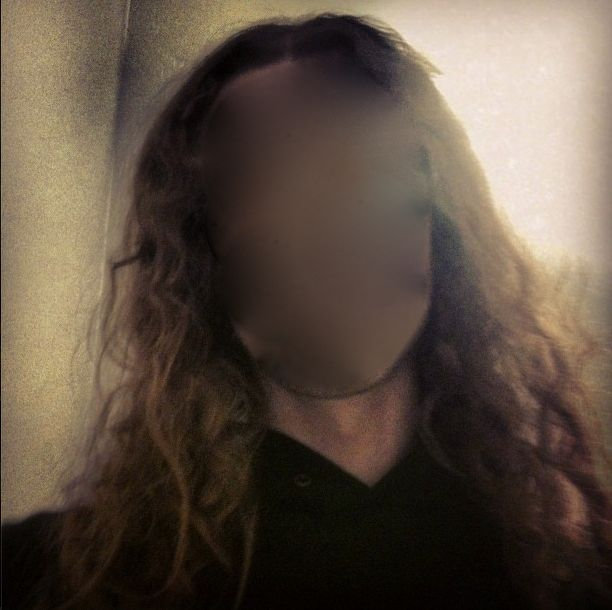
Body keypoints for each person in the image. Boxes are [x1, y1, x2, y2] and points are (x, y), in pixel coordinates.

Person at [2, 12, 611, 610]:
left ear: (439, 222)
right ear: (202, 247)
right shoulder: (53, 580)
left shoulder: (567, 573)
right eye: (273, 180)